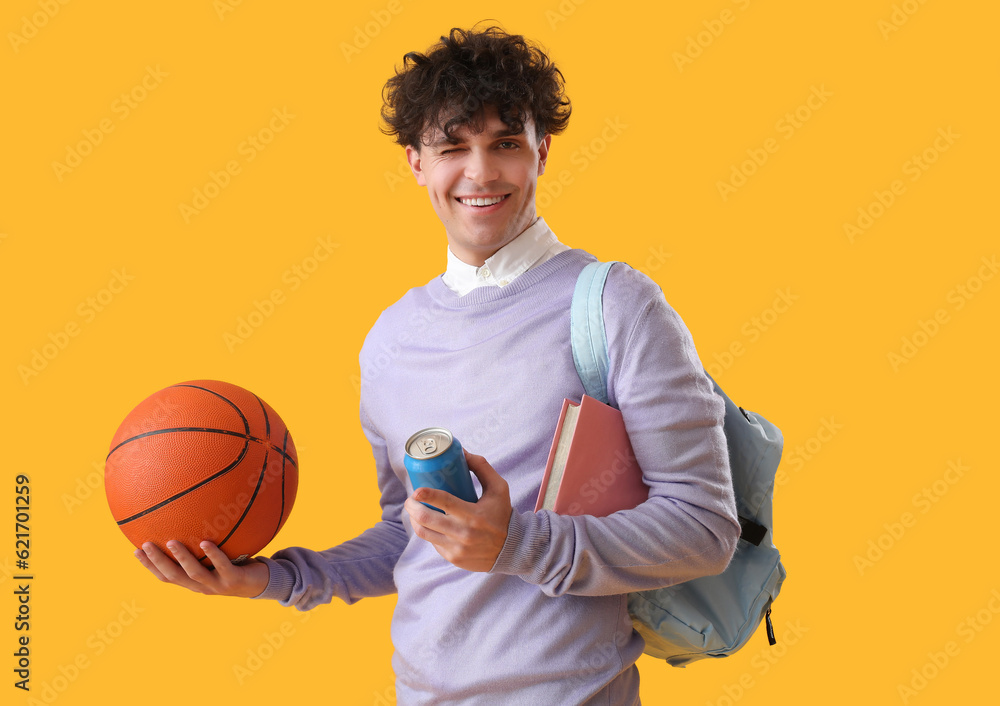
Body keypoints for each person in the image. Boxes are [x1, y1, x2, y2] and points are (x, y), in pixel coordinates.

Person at [135, 25, 741, 704]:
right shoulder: (391, 340)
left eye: (505, 145)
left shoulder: (614, 305)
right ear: (416, 163)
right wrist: (272, 578)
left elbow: (703, 529)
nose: (480, 174)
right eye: (453, 147)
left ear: (541, 150)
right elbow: (412, 536)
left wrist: (518, 544)